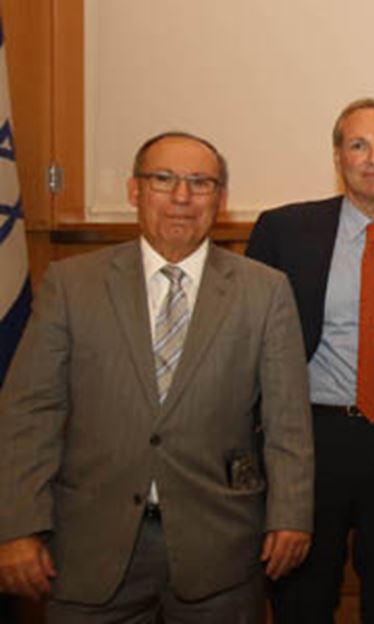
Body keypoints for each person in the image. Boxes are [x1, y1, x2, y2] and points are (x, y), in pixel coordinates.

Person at [0, 131, 313, 621]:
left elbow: (287, 421)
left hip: (221, 553)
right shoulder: (72, 285)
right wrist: (17, 526)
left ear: (221, 198)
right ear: (134, 191)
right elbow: (29, 413)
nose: (182, 197)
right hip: (91, 550)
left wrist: (291, 516)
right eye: (164, 180)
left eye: (200, 182)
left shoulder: (265, 291)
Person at [245, 98, 374, 623]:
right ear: (338, 155)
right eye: (359, 145)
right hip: (311, 439)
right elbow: (247, 344)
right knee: (303, 596)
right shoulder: (284, 231)